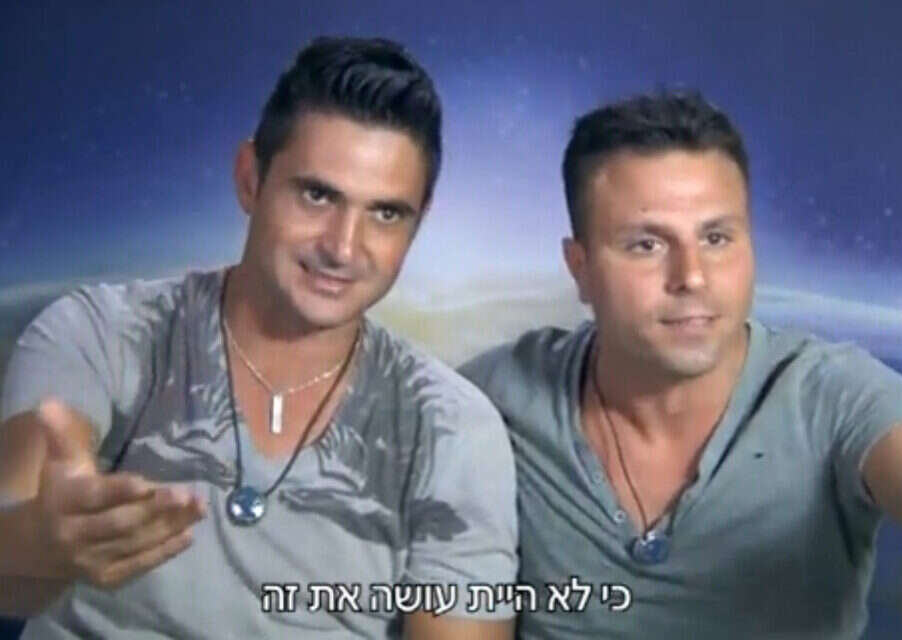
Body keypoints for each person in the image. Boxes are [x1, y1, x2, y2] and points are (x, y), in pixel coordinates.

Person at [0, 36, 517, 639]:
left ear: (418, 222)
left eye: (385, 213)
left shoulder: (454, 428)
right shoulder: (100, 333)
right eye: (317, 195)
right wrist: (41, 542)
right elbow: (10, 566)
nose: (343, 247)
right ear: (250, 179)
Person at [459, 90, 902, 639]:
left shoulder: (831, 395)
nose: (692, 276)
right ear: (580, 268)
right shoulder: (493, 401)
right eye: (646, 245)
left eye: (716, 238)